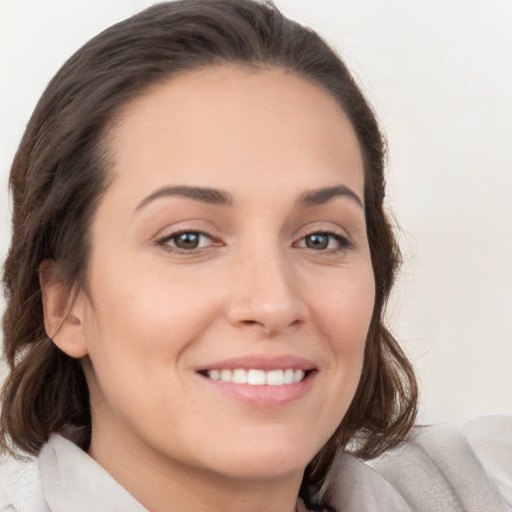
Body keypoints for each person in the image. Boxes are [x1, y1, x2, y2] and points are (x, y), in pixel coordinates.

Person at [0, 1, 510, 511]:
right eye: (188, 239)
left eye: (320, 239)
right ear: (65, 304)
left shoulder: (472, 490)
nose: (273, 303)